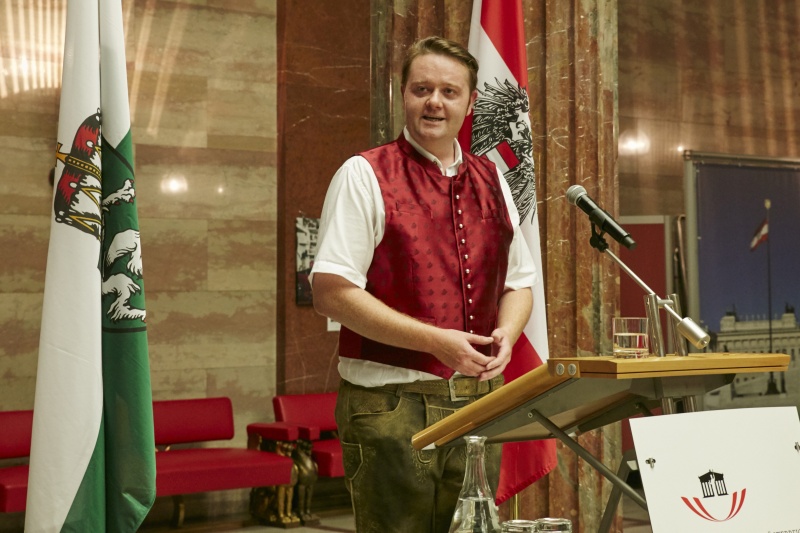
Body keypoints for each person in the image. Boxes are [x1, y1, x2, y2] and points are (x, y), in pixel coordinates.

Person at [310, 36, 537, 533]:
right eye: (422, 89)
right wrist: (435, 341)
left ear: (470, 103)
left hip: (480, 401)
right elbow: (331, 291)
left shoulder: (494, 179)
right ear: (403, 95)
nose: (435, 102)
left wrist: (509, 333)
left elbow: (519, 283)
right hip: (391, 405)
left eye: (449, 92)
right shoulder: (363, 174)